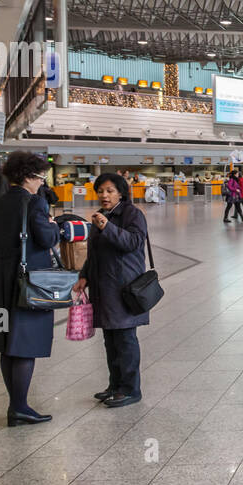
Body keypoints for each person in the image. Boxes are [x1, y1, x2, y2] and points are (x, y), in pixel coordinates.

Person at [0, 150, 61, 426]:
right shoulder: (34, 204)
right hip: (28, 284)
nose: (41, 183)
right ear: (27, 177)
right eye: (39, 177)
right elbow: (47, 239)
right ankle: (20, 407)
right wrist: (52, 226)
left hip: (0, 280)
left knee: (6, 342)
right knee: (25, 344)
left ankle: (17, 405)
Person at [73, 173, 150, 409]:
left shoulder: (131, 214)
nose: (104, 195)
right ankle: (115, 385)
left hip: (123, 286)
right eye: (100, 191)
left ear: (121, 192)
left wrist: (107, 227)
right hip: (104, 285)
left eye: (109, 191)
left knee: (125, 338)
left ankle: (130, 389)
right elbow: (94, 251)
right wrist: (84, 275)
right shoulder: (102, 215)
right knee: (110, 338)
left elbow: (134, 242)